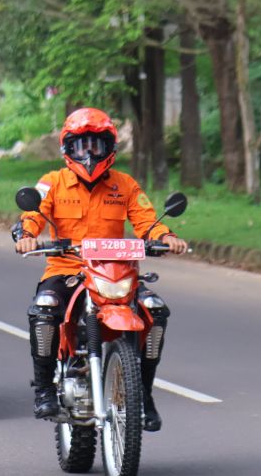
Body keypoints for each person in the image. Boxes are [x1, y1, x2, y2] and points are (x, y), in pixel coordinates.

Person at [14, 108, 189, 427]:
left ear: (110, 147)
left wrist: (166, 237)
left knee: (156, 311)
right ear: (68, 148)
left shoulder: (126, 185)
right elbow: (33, 215)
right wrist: (26, 236)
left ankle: (143, 394)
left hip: (115, 272)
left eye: (96, 145)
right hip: (67, 270)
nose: (89, 153)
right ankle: (44, 390)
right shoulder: (51, 183)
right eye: (81, 145)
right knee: (44, 308)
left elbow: (147, 222)